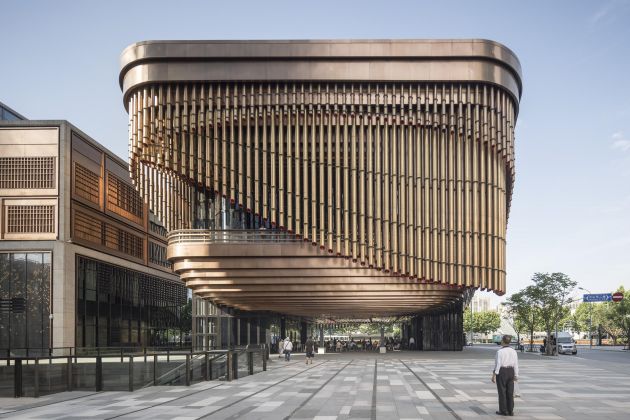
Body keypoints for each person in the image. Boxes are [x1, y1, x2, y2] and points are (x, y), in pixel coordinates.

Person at [492, 335, 519, 416]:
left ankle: (503, 410)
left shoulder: (499, 352)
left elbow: (498, 364)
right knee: (510, 392)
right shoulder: (514, 351)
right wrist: (516, 375)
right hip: (511, 371)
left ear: (503, 341)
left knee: (502, 392)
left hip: (502, 371)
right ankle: (510, 410)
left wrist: (494, 375)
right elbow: (516, 364)